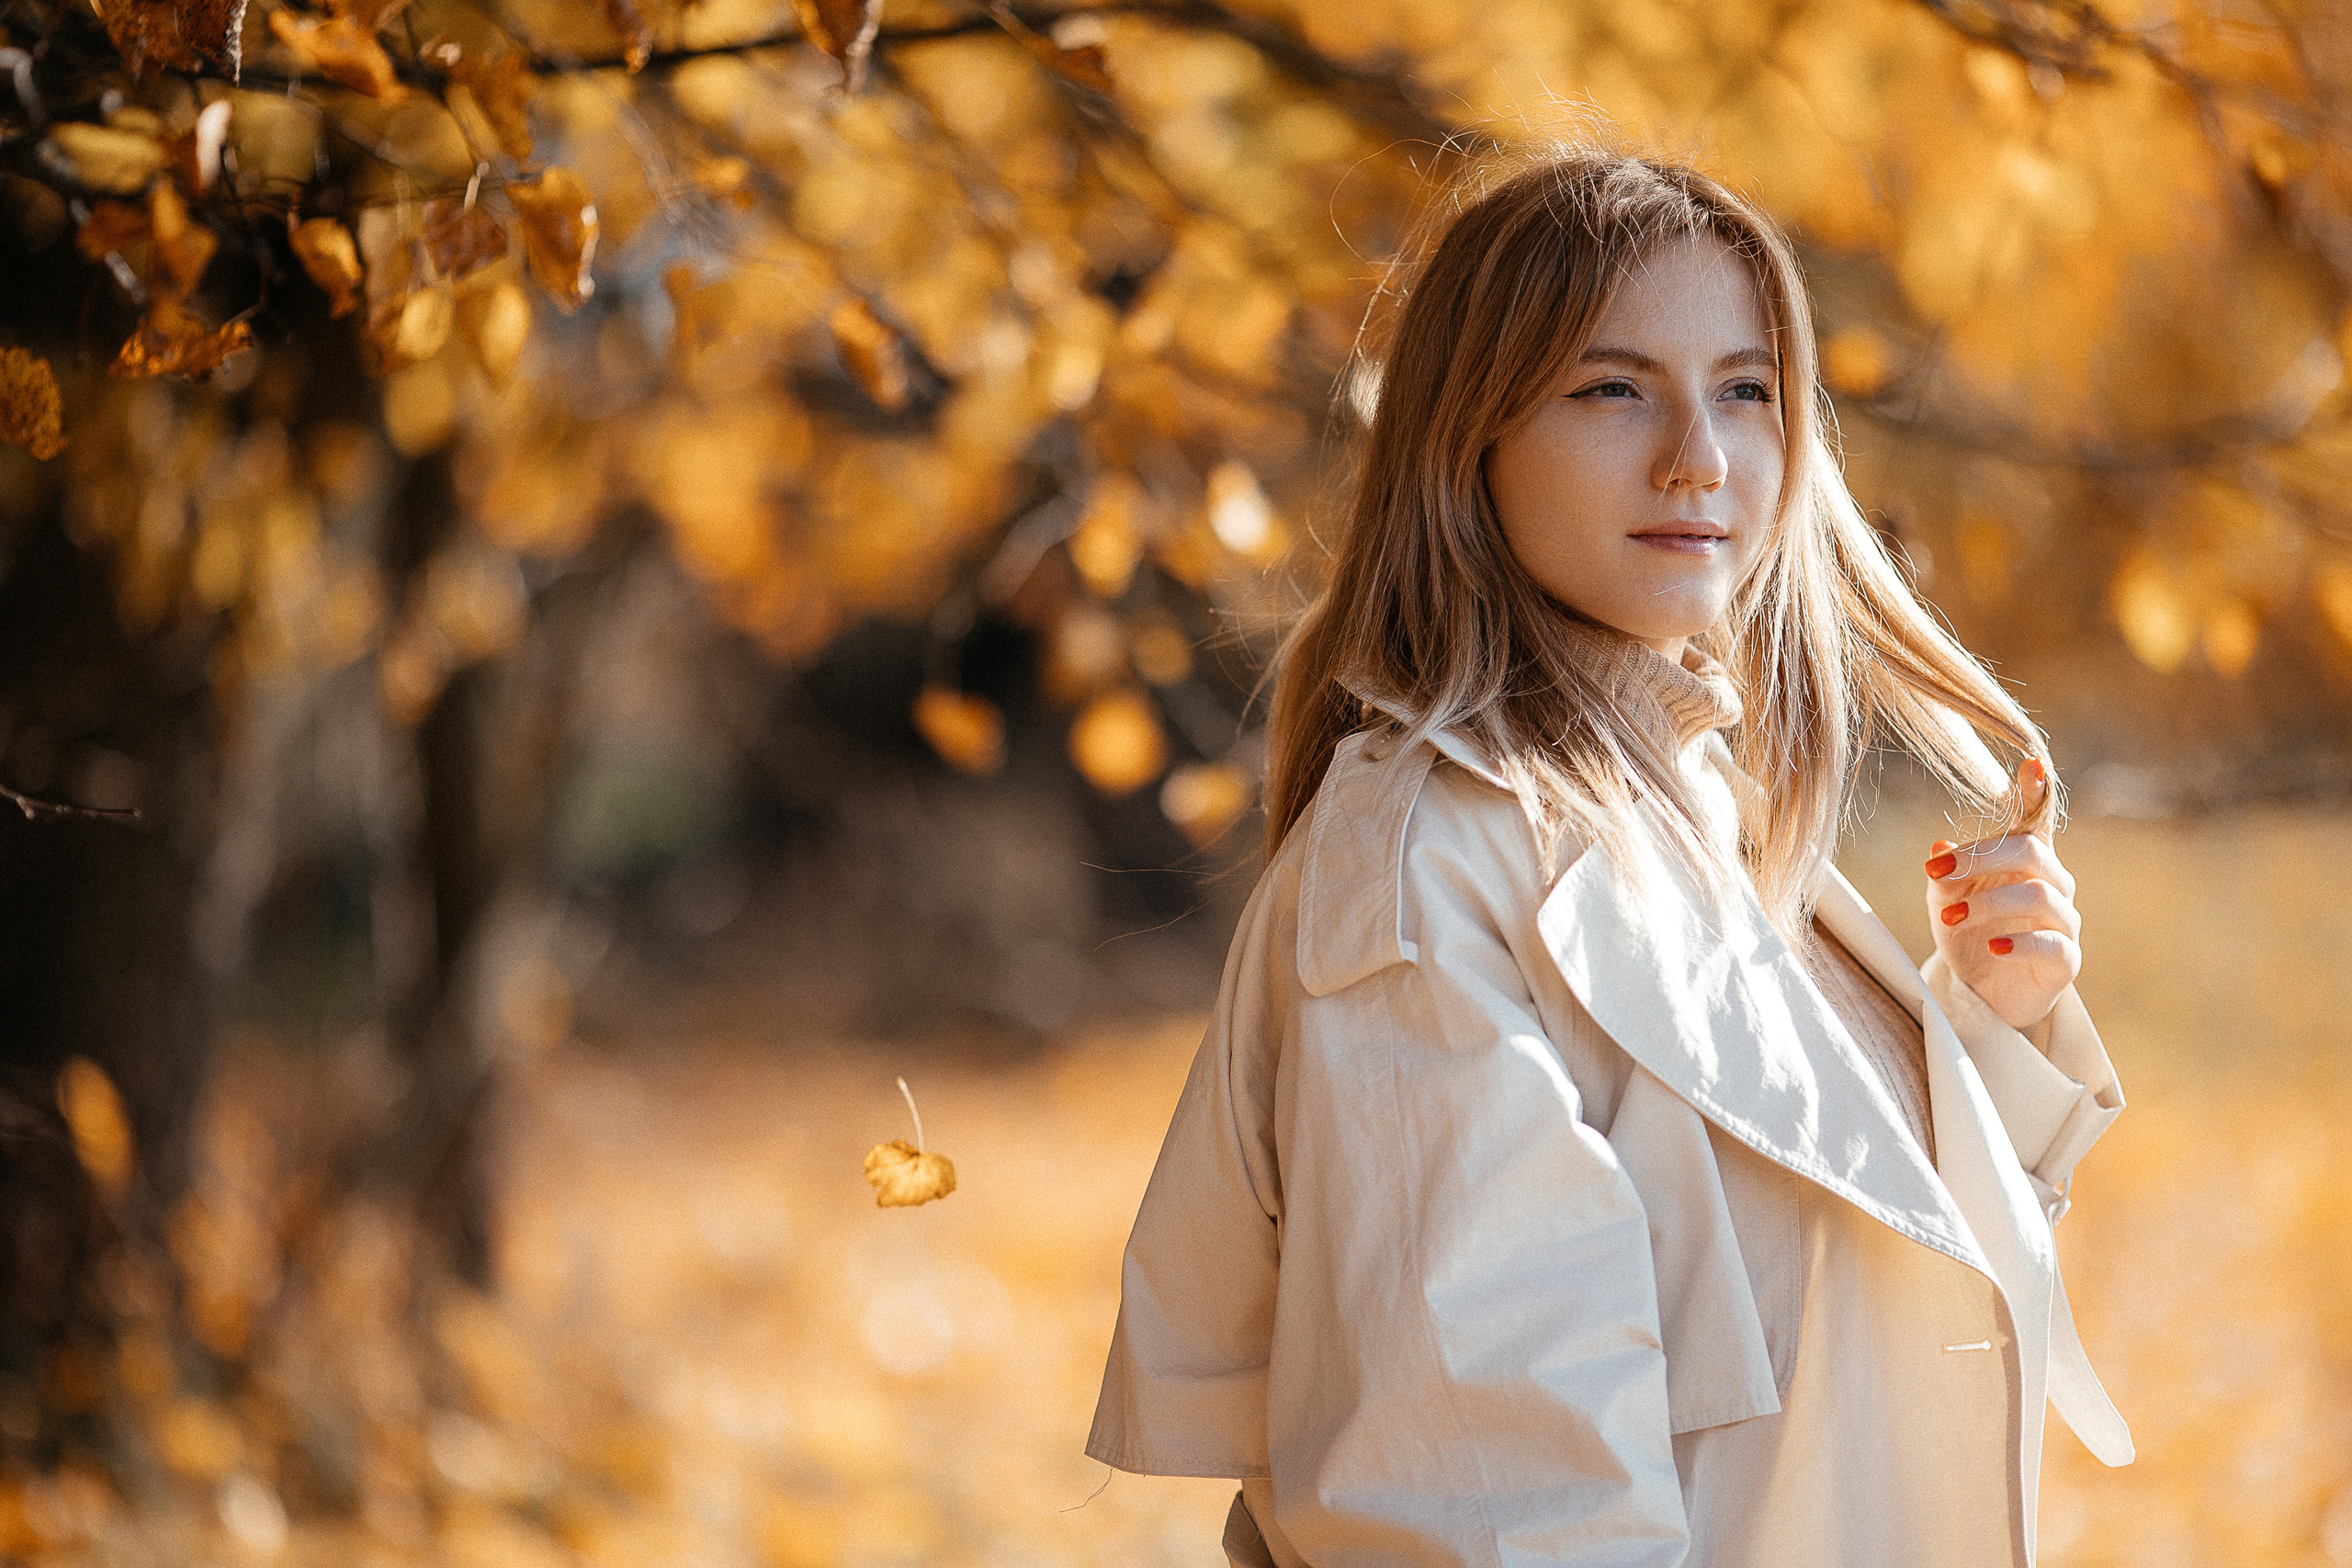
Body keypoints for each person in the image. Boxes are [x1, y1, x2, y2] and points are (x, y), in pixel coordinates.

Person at [1084, 149, 2132, 1568]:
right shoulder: (1433, 870)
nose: (1698, 455)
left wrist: (1972, 1038)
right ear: (1474, 437)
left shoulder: (1696, 816)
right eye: (1613, 387)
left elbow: (1824, 1332)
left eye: (1747, 389)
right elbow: (1481, 1500)